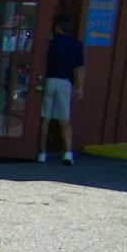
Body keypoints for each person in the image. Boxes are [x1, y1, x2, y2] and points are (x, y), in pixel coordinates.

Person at [38, 16, 85, 166]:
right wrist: (79, 87)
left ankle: (42, 152)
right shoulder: (77, 45)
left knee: (45, 118)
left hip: (49, 80)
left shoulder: (50, 44)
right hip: (65, 82)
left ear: (58, 27)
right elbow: (79, 68)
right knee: (64, 120)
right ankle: (68, 153)